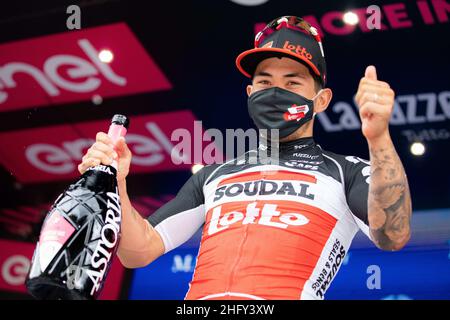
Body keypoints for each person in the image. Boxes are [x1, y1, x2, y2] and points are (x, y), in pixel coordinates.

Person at [78, 16, 412, 300]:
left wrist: (379, 137)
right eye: (265, 82)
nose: (275, 92)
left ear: (321, 100)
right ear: (250, 94)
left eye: (292, 82)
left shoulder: (345, 172)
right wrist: (116, 183)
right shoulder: (212, 176)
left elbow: (393, 235)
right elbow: (138, 251)